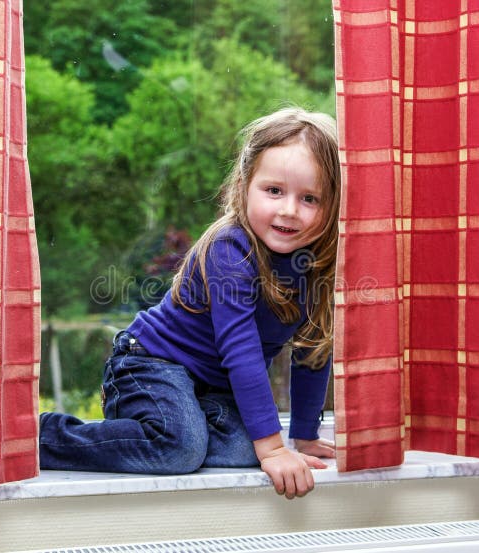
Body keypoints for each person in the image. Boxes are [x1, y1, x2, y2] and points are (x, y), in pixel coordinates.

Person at [39, 107, 340, 499]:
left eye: (310, 198)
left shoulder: (316, 265)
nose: (288, 210)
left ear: (332, 205)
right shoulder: (230, 248)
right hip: (151, 363)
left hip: (211, 389)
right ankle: (41, 435)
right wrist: (274, 448)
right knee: (181, 448)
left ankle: (176, 426)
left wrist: (303, 434)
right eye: (274, 191)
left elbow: (313, 352)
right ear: (244, 185)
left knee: (241, 452)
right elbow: (242, 353)